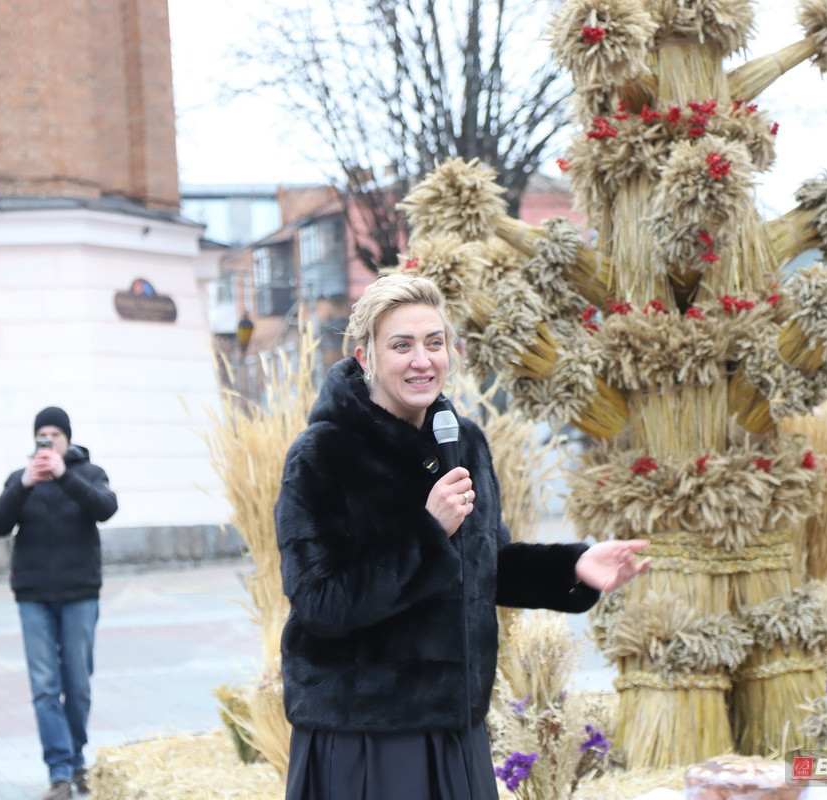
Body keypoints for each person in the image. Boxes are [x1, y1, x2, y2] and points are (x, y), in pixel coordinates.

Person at [275, 273, 651, 800]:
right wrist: (428, 533)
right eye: (401, 345)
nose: (421, 360)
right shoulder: (323, 454)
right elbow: (320, 604)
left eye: (435, 343)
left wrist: (574, 566)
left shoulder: (464, 440)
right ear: (365, 357)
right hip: (365, 733)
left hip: (455, 726)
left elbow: (487, 564)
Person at [0, 407, 118, 800]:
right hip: (33, 597)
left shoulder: (89, 473)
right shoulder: (20, 479)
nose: (48, 441)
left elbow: (106, 509)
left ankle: (77, 760)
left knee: (76, 684)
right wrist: (24, 484)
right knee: (45, 686)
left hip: (79, 593)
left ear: (67, 440)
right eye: (42, 435)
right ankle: (59, 772)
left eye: (55, 435)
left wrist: (64, 474)